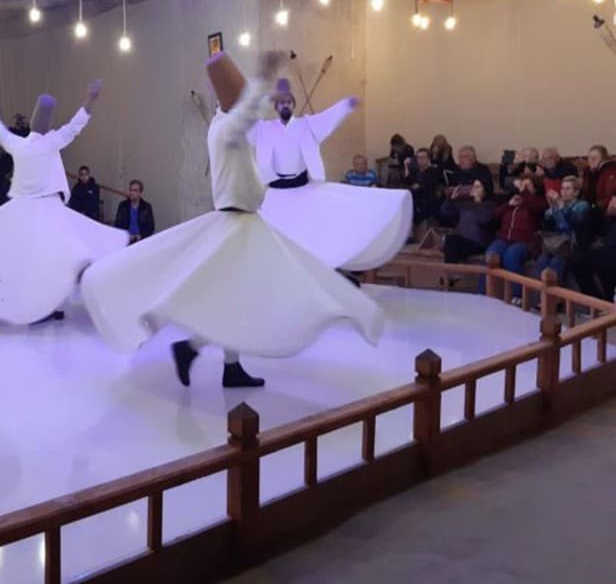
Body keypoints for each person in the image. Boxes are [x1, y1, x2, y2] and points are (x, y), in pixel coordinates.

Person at [82, 52, 383, 389]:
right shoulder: (227, 127)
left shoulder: (220, 126)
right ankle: (191, 344)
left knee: (232, 295)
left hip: (241, 221)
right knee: (236, 292)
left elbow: (247, 119)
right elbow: (245, 116)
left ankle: (214, 358)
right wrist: (264, 78)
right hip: (237, 222)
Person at [0, 80, 127, 325]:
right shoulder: (48, 141)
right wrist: (90, 99)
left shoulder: (23, 143)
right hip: (40, 209)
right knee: (48, 258)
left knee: (42, 258)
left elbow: (1, 131)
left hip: (30, 209)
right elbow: (75, 125)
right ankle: (43, 305)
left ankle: (46, 305)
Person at [250, 79, 411, 272]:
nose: (285, 105)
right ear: (275, 106)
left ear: (293, 105)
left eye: (288, 102)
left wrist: (345, 106)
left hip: (302, 191)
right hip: (275, 194)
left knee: (309, 234)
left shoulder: (306, 125)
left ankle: (312, 272)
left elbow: (328, 117)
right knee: (275, 238)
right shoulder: (263, 128)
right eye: (281, 102)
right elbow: (241, 122)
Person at [485, 176, 547, 302]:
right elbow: (494, 216)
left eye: (527, 185)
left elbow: (536, 207)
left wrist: (523, 192)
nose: (523, 187)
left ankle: (517, 296)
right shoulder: (513, 201)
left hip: (525, 242)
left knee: (511, 256)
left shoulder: (539, 202)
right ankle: (484, 292)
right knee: (491, 254)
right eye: (522, 184)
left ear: (535, 188)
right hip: (504, 239)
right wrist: (509, 205)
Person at [534, 176, 591, 284]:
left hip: (572, 244)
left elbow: (574, 223)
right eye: (562, 188)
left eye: (567, 189)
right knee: (542, 261)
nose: (563, 192)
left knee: (556, 262)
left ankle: (554, 299)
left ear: (576, 192)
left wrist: (561, 206)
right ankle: (538, 296)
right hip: (555, 243)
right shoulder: (557, 204)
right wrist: (550, 209)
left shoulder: (582, 205)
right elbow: (546, 226)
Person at [439, 180, 497, 263]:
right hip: (463, 240)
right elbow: (445, 213)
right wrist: (450, 200)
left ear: (485, 191)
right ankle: (452, 274)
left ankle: (452, 274)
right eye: (473, 186)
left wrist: (478, 202)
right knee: (450, 240)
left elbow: (484, 220)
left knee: (451, 241)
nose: (474, 189)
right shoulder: (465, 204)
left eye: (477, 187)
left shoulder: (489, 205)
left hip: (478, 243)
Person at [406, 148, 444, 226]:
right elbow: (408, 181)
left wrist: (416, 186)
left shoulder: (434, 172)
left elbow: (426, 186)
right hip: (416, 199)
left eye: (423, 157)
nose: (420, 160)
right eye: (418, 157)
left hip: (428, 201)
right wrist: (406, 166)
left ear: (428, 158)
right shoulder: (416, 171)